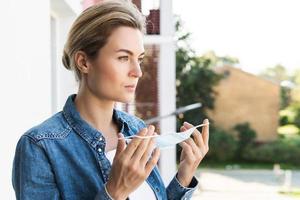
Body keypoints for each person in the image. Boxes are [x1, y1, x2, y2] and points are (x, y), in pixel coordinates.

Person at [12, 0, 209, 199]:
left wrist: (184, 177)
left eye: (139, 59)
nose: (138, 71)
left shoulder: (136, 129)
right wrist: (115, 192)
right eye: (123, 57)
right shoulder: (39, 147)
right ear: (84, 62)